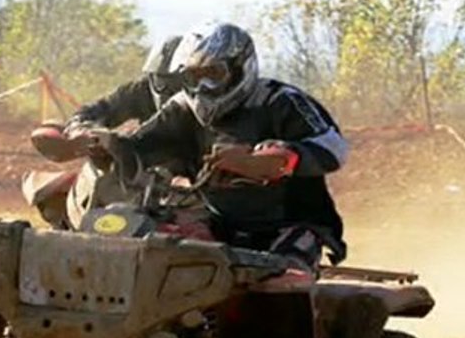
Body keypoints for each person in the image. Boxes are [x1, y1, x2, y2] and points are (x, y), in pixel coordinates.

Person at [103, 21, 349, 273]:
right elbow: (137, 147)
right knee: (153, 250)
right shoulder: (182, 109)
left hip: (292, 225)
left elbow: (334, 147)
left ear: (241, 67)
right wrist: (101, 146)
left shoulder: (280, 100)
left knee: (282, 281)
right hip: (216, 222)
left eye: (213, 75)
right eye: (193, 77)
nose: (202, 88)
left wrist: (276, 159)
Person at [66, 34, 185, 132]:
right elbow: (103, 108)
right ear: (152, 76)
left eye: (176, 82)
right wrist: (80, 125)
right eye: (162, 81)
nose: (170, 88)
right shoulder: (140, 90)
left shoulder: (199, 96)